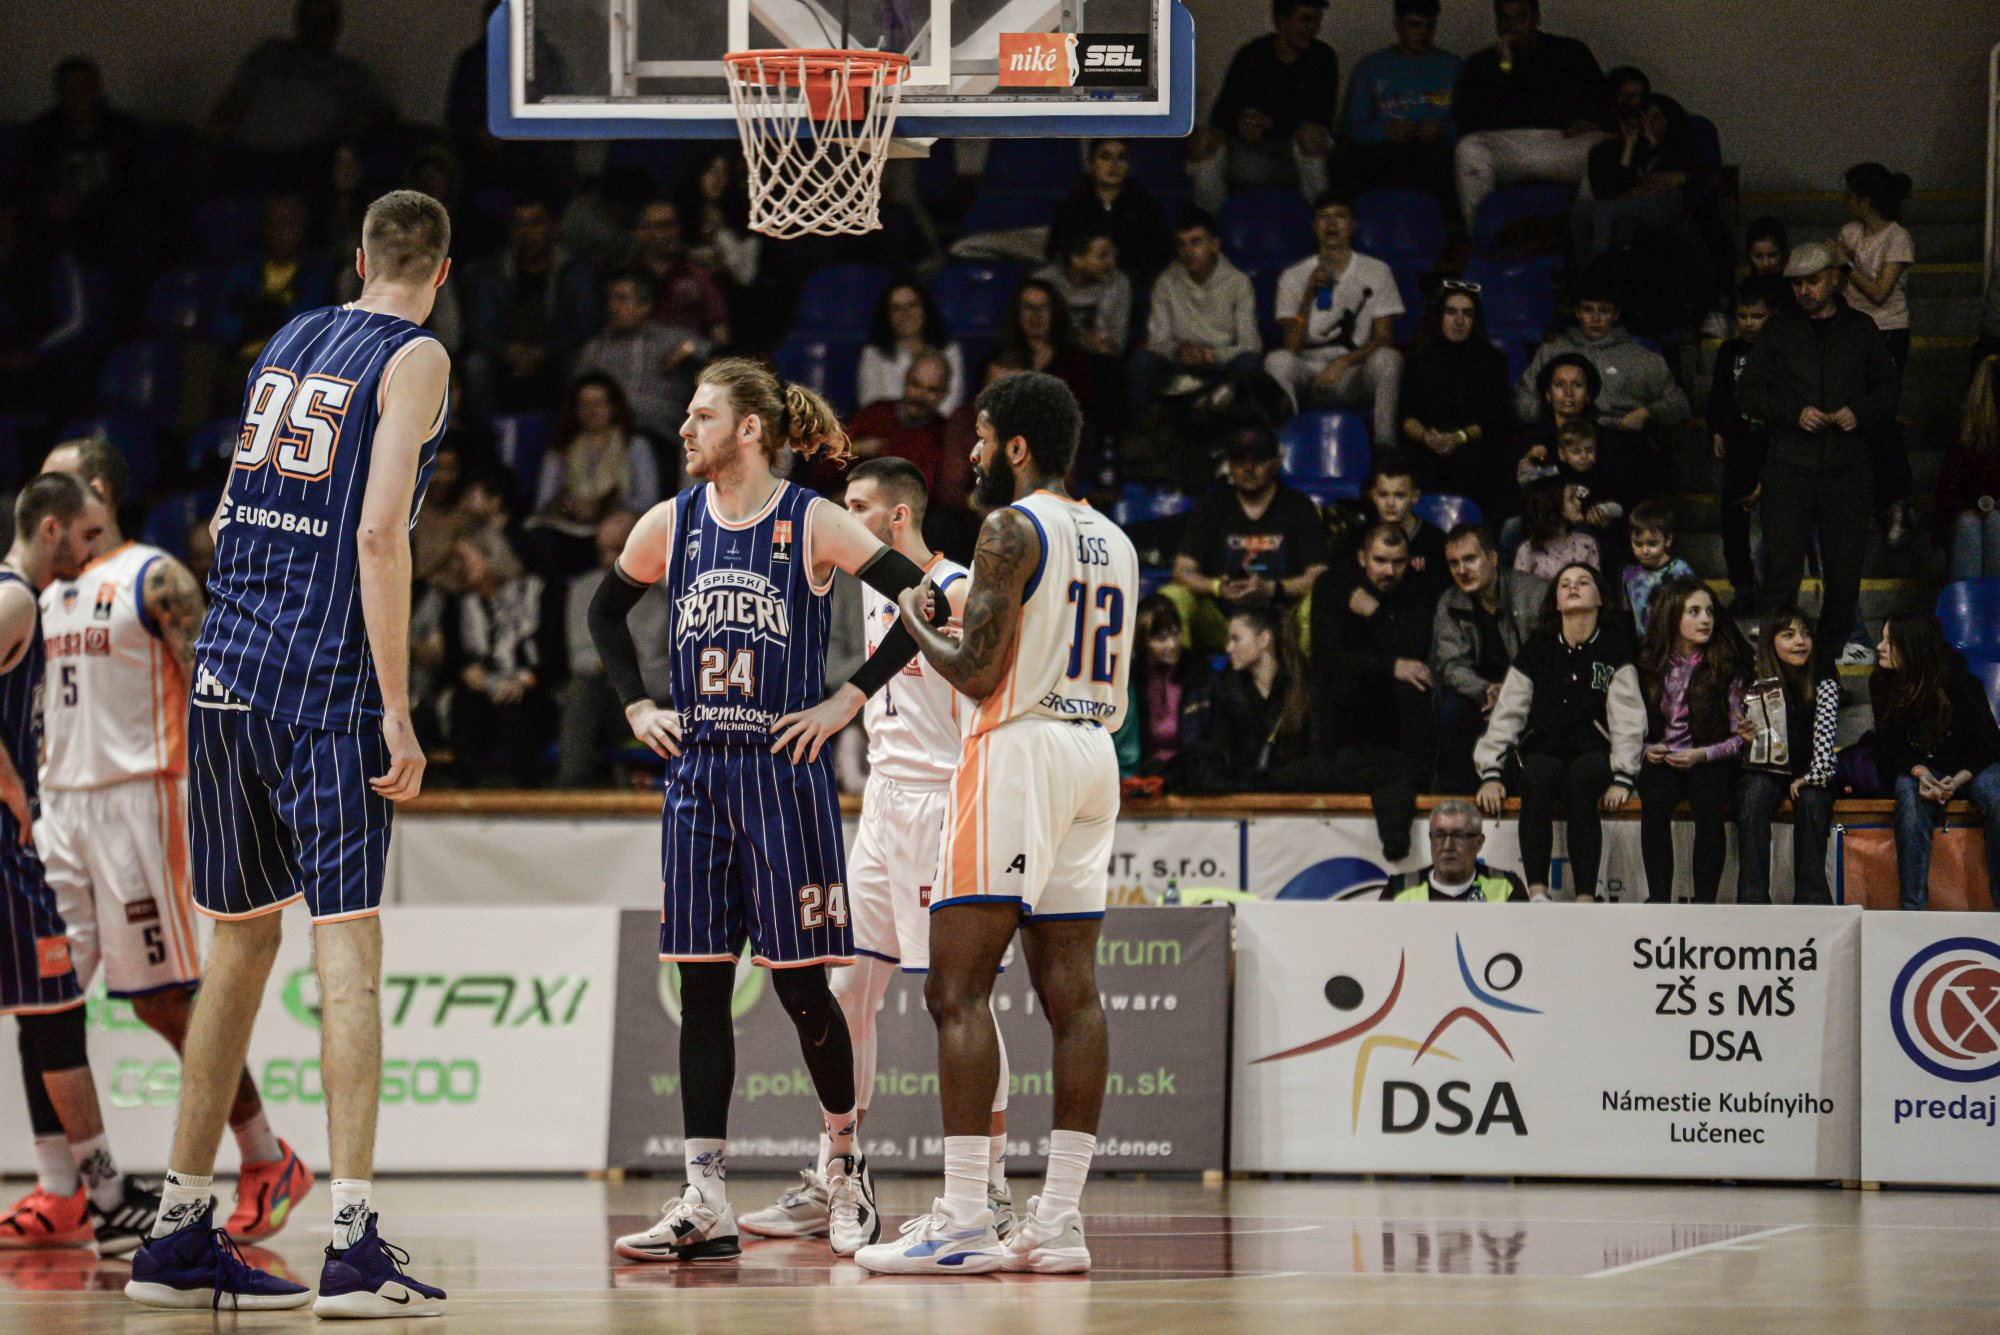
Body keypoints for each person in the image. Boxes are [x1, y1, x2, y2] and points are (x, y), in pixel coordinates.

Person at [125, 190, 456, 1316]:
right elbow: (376, 531)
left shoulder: (289, 336)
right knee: (346, 949)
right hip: (324, 688)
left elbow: (222, 521)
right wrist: (398, 709)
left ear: (358, 257)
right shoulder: (417, 356)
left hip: (225, 673)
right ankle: (353, 1245)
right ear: (440, 273)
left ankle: (177, 1230)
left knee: (237, 948)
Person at [591, 358, 954, 1263]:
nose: (684, 429)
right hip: (698, 775)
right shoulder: (670, 522)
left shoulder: (811, 520)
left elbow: (925, 596)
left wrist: (847, 699)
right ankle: (705, 1194)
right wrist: (636, 705)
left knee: (802, 990)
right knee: (701, 988)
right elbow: (605, 613)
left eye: (702, 415)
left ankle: (844, 1163)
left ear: (748, 429)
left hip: (783, 775)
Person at [856, 370, 1137, 1276]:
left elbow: (976, 673)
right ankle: (1058, 1220)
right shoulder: (1118, 539)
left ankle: (965, 1216)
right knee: (1074, 992)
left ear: (1016, 446)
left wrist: (914, 617)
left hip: (1018, 749)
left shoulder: (1010, 527)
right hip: (1093, 752)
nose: (971, 455)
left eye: (979, 439)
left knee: (956, 988)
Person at [740, 457, 1016, 1247]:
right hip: (881, 807)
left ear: (897, 517)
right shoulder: (867, 586)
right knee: (847, 988)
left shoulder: (957, 588)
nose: (842, 517)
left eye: (856, 506)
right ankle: (836, 1171)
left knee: (959, 999)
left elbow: (985, 700)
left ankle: (992, 1183)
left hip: (942, 803)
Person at [37, 441, 306, 1246]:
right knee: (42, 999)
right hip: (57, 806)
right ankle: (69, 1188)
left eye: (59, 475)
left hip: (139, 801)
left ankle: (266, 1156)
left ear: (97, 488)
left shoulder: (153, 576)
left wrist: (246, 785)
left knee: (163, 1000)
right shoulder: (39, 588)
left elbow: (213, 684)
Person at [0, 475, 155, 1254]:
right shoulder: (15, 599)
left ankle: (82, 1191)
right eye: (88, 535)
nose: (95, 550)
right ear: (52, 527)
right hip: (6, 841)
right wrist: (11, 786)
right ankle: (107, 1196)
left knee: (46, 1007)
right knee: (56, 1007)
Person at [1738, 241, 1899, 674]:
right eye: (1796, 284)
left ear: (1833, 279)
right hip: (1789, 469)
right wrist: (1793, 413)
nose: (1804, 291)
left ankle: (1822, 673)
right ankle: (1777, 676)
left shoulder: (1861, 328)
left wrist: (1859, 412)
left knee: (1843, 582)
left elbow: (1889, 390)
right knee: (1780, 579)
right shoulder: (1777, 330)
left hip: (1847, 471)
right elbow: (1748, 392)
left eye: (1812, 281)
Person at [1474, 562, 1644, 903]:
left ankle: (1585, 897)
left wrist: (1623, 777)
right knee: (1536, 774)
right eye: (1564, 584)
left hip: (1593, 753)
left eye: (1583, 582)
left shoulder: (1614, 649)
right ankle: (1537, 892)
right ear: (1555, 601)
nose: (1573, 587)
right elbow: (1508, 712)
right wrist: (1491, 773)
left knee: (1581, 778)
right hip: (1542, 750)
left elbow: (1628, 718)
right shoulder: (1538, 648)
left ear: (1600, 598)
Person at [1307, 524, 1434, 861]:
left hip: (1391, 714)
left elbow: (1415, 649)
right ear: (1362, 558)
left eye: (1398, 562)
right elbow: (1326, 658)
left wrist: (1376, 614)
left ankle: (1408, 776)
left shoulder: (1416, 590)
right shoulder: (1332, 586)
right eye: (1380, 561)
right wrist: (1389, 665)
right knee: (1337, 683)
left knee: (1416, 686)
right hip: (1345, 706)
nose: (1389, 571)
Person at [1870, 612, 2000, 912]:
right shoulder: (1881, 682)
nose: (1879, 647)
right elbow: (1889, 745)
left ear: (1913, 647)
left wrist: (1959, 778)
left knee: (1998, 798)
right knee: (1910, 801)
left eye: (1890, 642)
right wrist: (1920, 772)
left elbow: (1988, 746)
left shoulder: (1961, 682)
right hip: (1922, 767)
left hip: (1970, 766)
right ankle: (1912, 909)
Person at [1636, 578, 1749, 904]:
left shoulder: (1725, 664)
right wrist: (1646, 750)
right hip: (1664, 757)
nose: (1705, 620)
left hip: (1710, 758)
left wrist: (1703, 754)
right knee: (1654, 799)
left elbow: (1739, 739)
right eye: (1695, 611)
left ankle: (1705, 903)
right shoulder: (1647, 665)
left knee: (1708, 802)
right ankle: (1658, 899)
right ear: (1672, 615)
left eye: (1710, 612)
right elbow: (1628, 728)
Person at [1169, 424, 1330, 648]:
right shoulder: (1211, 506)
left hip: (1283, 623)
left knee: (1317, 602)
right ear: (1229, 465)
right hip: (1224, 623)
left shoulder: (1299, 507)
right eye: (1240, 461)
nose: (1248, 468)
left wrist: (1273, 589)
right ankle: (1180, 671)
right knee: (1174, 597)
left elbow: (1319, 576)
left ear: (1275, 463)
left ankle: (1304, 671)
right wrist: (1218, 587)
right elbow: (1182, 570)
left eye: (1259, 460)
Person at [1450, 0, 1606, 231]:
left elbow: (1602, 100)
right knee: (1468, 150)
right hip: (1508, 146)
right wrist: (1505, 66)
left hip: (1561, 143)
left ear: (1535, 18)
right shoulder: (1482, 63)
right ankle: (1483, 238)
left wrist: (1591, 119)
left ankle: (1581, 234)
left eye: (1520, 17)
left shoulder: (1570, 52)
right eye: (1504, 18)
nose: (1511, 26)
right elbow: (1473, 119)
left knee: (1603, 150)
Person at [1266, 192, 1406, 441]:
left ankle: (1386, 445)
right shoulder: (1293, 276)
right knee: (1276, 360)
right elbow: (1291, 347)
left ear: (1353, 226)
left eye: (1340, 216)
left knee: (1389, 358)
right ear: (1314, 227)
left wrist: (1343, 362)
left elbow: (1384, 338)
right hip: (1309, 374)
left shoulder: (1377, 271)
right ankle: (1288, 445)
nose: (1331, 224)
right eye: (1324, 217)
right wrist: (1307, 296)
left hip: (1354, 373)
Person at [1187, 0, 1337, 213]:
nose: (1313, 28)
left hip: (1294, 154)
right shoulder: (1252, 55)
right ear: (1282, 21)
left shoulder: (1323, 58)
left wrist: (1272, 124)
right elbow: (1220, 114)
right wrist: (1242, 124)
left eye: (1317, 21)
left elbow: (1323, 118)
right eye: (1305, 20)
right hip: (1247, 153)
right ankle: (1210, 224)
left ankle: (1322, 219)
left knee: (1311, 136)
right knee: (1203, 141)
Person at [1836, 162, 1919, 547]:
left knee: (1880, 415)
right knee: (1856, 418)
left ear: (1866, 201)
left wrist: (1846, 265)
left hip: (1888, 331)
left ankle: (1897, 499)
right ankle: (1871, 500)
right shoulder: (1850, 232)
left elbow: (1880, 292)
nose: (1845, 202)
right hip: (1853, 331)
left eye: (1850, 196)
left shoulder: (1898, 237)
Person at [554, 510, 667, 788]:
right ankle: (571, 790)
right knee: (581, 690)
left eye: (616, 549)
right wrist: (617, 660)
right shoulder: (584, 589)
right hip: (612, 702)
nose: (607, 560)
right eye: (601, 550)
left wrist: (621, 661)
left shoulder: (668, 591)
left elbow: (676, 668)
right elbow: (579, 659)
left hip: (661, 703)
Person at [1735, 606, 1839, 906]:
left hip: (1810, 770)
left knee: (1813, 801)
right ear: (1771, 642)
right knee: (1753, 795)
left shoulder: (1824, 678)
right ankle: (1752, 900)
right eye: (1789, 635)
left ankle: (1812, 899)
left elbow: (1825, 741)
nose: (1800, 641)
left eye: (1805, 634)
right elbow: (1749, 752)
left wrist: (1811, 777)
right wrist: (1746, 740)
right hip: (1767, 771)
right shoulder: (1754, 681)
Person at [1432, 524, 1545, 794]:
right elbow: (1451, 666)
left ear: (1493, 558)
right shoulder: (1449, 603)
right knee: (1452, 711)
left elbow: (1546, 658)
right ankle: (1467, 793)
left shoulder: (1534, 593)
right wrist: (1485, 690)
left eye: (1470, 559)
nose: (1462, 570)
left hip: (1530, 689)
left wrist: (1511, 693)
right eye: (1454, 563)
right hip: (1482, 694)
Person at [465, 197, 600, 415]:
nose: (527, 232)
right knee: (475, 366)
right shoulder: (492, 270)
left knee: (582, 361)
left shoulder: (572, 268)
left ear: (553, 227)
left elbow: (586, 324)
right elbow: (479, 328)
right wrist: (506, 351)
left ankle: (570, 428)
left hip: (557, 352)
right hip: (506, 355)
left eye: (535, 223)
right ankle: (488, 431)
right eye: (519, 224)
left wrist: (545, 352)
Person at [208, 0, 392, 158]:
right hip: (245, 153)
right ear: (299, 23)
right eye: (310, 20)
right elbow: (235, 97)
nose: (316, 27)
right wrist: (215, 133)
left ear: (336, 26)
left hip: (304, 161)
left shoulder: (348, 74)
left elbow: (383, 110)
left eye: (324, 20)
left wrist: (357, 126)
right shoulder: (271, 53)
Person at [1127, 208, 1263, 423]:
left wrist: (1213, 356)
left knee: (1249, 364)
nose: (1188, 251)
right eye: (1182, 244)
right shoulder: (1166, 282)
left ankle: (1237, 432)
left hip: (1222, 363)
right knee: (1141, 362)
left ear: (1215, 245)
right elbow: (1157, 340)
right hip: (1179, 361)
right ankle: (1144, 430)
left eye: (1196, 242)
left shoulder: (1238, 282)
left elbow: (1251, 344)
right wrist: (1178, 351)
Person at [523, 373, 663, 580]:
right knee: (538, 538)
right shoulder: (561, 447)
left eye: (598, 403)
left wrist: (604, 506)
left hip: (616, 525)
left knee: (614, 535)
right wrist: (568, 505)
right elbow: (542, 502)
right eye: (584, 404)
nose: (591, 411)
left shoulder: (635, 445)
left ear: (613, 407)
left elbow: (648, 500)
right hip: (569, 527)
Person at [1513, 275, 1690, 436]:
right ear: (1578, 313)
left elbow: (1680, 405)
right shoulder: (1553, 351)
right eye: (1588, 310)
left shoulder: (1640, 357)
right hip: (1565, 438)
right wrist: (1548, 418)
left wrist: (1647, 412)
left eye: (1604, 311)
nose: (1595, 319)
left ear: (1616, 314)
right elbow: (1525, 399)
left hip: (1621, 437)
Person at [443, 530, 548, 788]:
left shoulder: (535, 591)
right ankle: (465, 795)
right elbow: (452, 662)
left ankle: (529, 794)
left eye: (463, 558)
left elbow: (554, 655)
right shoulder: (457, 603)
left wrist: (523, 680)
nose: (457, 567)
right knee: (464, 702)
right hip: (481, 690)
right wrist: (466, 672)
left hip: (532, 684)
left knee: (511, 705)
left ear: (490, 557)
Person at [1398, 281, 1513, 506]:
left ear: (1475, 320)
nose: (1459, 320)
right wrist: (1424, 436)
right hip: (1425, 445)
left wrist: (1459, 437)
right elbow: (1405, 415)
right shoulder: (1418, 358)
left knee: (1482, 460)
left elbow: (1496, 417)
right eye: (1451, 312)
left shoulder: (1493, 360)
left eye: (1467, 314)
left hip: (1471, 446)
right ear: (1439, 316)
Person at [1337, 0, 1462, 204]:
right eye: (1414, 25)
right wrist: (1384, 131)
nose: (1423, 33)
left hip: (1436, 154)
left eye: (1430, 26)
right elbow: (1351, 127)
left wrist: (1441, 130)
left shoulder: (1454, 67)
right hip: (1383, 152)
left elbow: (1470, 125)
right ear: (1398, 25)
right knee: (1348, 157)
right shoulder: (1371, 67)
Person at [1187, 605, 1315, 793]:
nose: (1228, 648)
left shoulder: (1301, 685)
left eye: (1236, 639)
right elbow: (1219, 752)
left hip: (1295, 795)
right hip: (1242, 794)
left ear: (1264, 639)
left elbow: (1316, 756)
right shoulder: (1226, 688)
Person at [572, 270, 708, 443]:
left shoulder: (670, 340)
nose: (612, 307)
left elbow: (718, 356)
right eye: (610, 300)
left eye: (621, 299)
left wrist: (688, 352)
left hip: (661, 435)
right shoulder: (596, 349)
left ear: (645, 306)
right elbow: (576, 396)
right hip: (611, 435)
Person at [1711, 278, 1781, 602]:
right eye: (1742, 316)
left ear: (1773, 315)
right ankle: (1741, 585)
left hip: (1773, 445)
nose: (1749, 323)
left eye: (1757, 316)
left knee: (1776, 519)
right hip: (1738, 446)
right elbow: (1719, 394)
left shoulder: (1781, 350)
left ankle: (1775, 587)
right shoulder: (1729, 351)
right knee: (1733, 519)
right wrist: (1716, 429)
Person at [1049, 139, 1173, 287]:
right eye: (1105, 156)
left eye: (1121, 158)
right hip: (1081, 285)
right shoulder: (1074, 205)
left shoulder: (1147, 207)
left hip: (1132, 288)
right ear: (1092, 163)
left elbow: (1162, 254)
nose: (1114, 164)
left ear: (1129, 165)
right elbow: (1056, 252)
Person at [1122, 595, 1216, 786]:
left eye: (1176, 633)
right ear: (1143, 641)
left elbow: (1211, 743)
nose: (1172, 644)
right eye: (1161, 639)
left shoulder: (1200, 674)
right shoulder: (1130, 680)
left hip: (1190, 780)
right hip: (1142, 780)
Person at [842, 354, 953, 492]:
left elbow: (926, 491)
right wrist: (857, 448)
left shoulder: (945, 434)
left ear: (945, 393)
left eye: (932, 390)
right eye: (915, 385)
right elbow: (826, 465)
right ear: (905, 380)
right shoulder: (875, 414)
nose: (920, 396)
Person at [630, 199, 730, 350]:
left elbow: (718, 328)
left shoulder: (699, 274)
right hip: (637, 357)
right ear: (641, 232)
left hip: (691, 356)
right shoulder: (627, 274)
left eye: (674, 225)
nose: (671, 233)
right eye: (663, 226)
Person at [1379, 801, 1529, 901]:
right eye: (1439, 835)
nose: (1447, 846)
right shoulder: (1398, 890)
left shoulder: (1508, 887)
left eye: (1458, 836)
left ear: (1478, 842)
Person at [857, 283, 967, 418]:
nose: (906, 314)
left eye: (912, 305)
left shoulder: (949, 351)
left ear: (925, 309)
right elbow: (870, 406)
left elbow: (950, 406)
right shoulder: (873, 354)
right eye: (897, 308)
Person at [993, 280, 1095, 418]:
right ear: (1016, 312)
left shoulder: (1074, 359)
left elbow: (1083, 409)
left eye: (1044, 307)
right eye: (1028, 307)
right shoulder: (999, 356)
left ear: (1055, 312)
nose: (1036, 315)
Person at [1940, 356, 2000, 581]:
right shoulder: (1969, 427)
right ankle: (1969, 601)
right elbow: (1949, 489)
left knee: (1996, 523)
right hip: (1971, 510)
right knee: (1968, 524)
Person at [1034, 226, 1133, 360]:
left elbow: (1115, 344)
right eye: (1102, 256)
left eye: (1114, 255)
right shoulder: (1043, 282)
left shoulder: (1119, 283)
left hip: (1097, 360)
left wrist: (1102, 345)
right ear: (1076, 259)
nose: (1111, 262)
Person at [1357, 454, 1449, 597]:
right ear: (1373, 495)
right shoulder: (1358, 537)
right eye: (1383, 495)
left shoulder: (1436, 542)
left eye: (1399, 495)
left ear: (1415, 497)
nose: (1390, 503)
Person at [1621, 499, 1696, 635]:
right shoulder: (1629, 574)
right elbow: (1628, 614)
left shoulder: (1680, 571)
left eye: (1652, 544)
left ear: (1668, 540)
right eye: (1638, 544)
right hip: (1642, 644)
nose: (1645, 551)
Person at [1514, 475, 1597, 577]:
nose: (1578, 502)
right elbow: (1520, 586)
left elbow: (1596, 584)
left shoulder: (1587, 544)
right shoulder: (1527, 551)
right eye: (1571, 499)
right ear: (1552, 508)